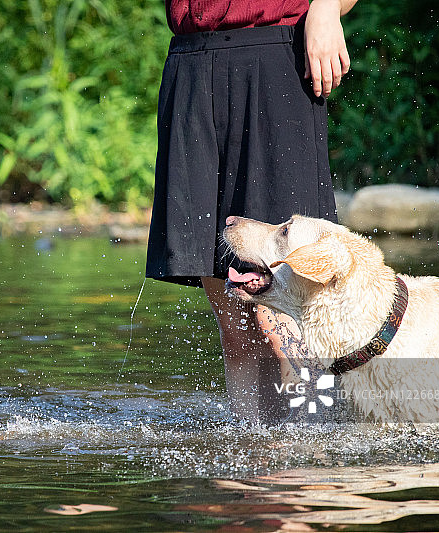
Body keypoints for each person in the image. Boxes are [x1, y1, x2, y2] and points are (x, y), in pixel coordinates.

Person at [146, 0, 357, 422]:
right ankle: (252, 456)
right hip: (191, 68)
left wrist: (328, 9)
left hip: (276, 63)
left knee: (283, 318)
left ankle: (316, 455)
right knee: (235, 325)